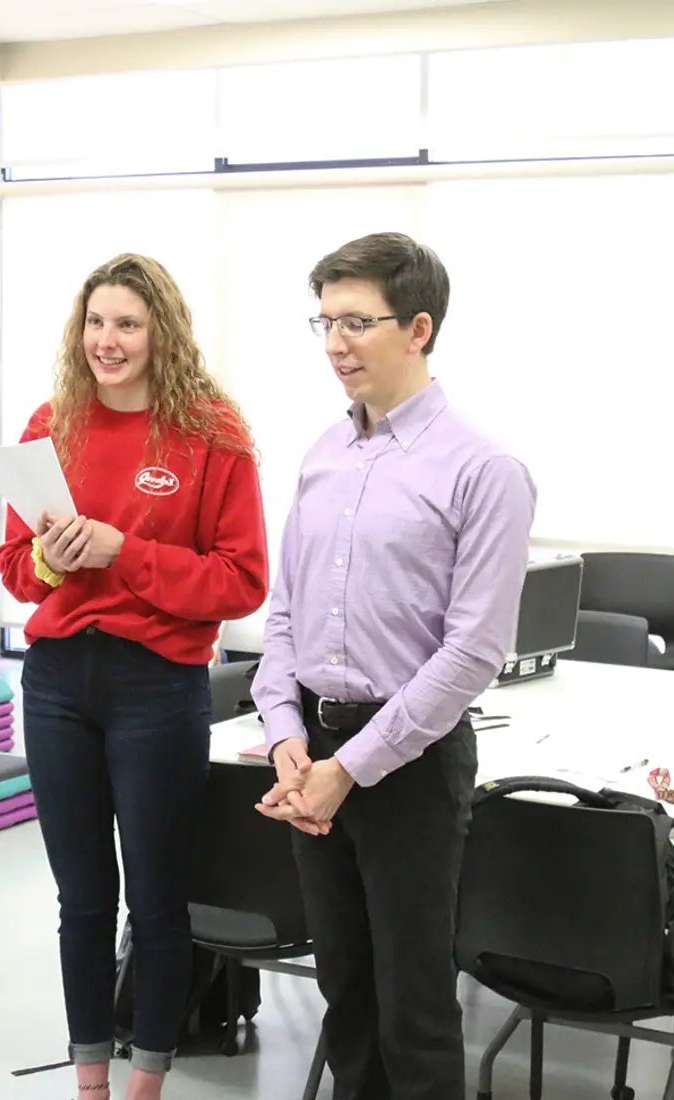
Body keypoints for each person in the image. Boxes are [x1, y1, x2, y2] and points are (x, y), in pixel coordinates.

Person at [251, 231, 536, 1100]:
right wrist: (285, 736)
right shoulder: (323, 456)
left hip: (408, 765)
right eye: (325, 321)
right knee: (347, 998)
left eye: (357, 322)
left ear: (418, 328)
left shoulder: (484, 470)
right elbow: (286, 616)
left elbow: (473, 652)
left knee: (414, 1008)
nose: (335, 344)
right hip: (317, 756)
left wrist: (352, 767)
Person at [0, 253, 268, 1099]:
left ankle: (147, 1078)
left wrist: (127, 554)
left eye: (127, 324)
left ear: (163, 333)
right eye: (96, 322)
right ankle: (89, 1081)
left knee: (155, 900)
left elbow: (241, 581)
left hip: (158, 686)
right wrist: (48, 556)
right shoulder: (52, 422)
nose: (106, 342)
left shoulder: (213, 432)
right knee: (82, 898)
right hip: (58, 683)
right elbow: (14, 566)